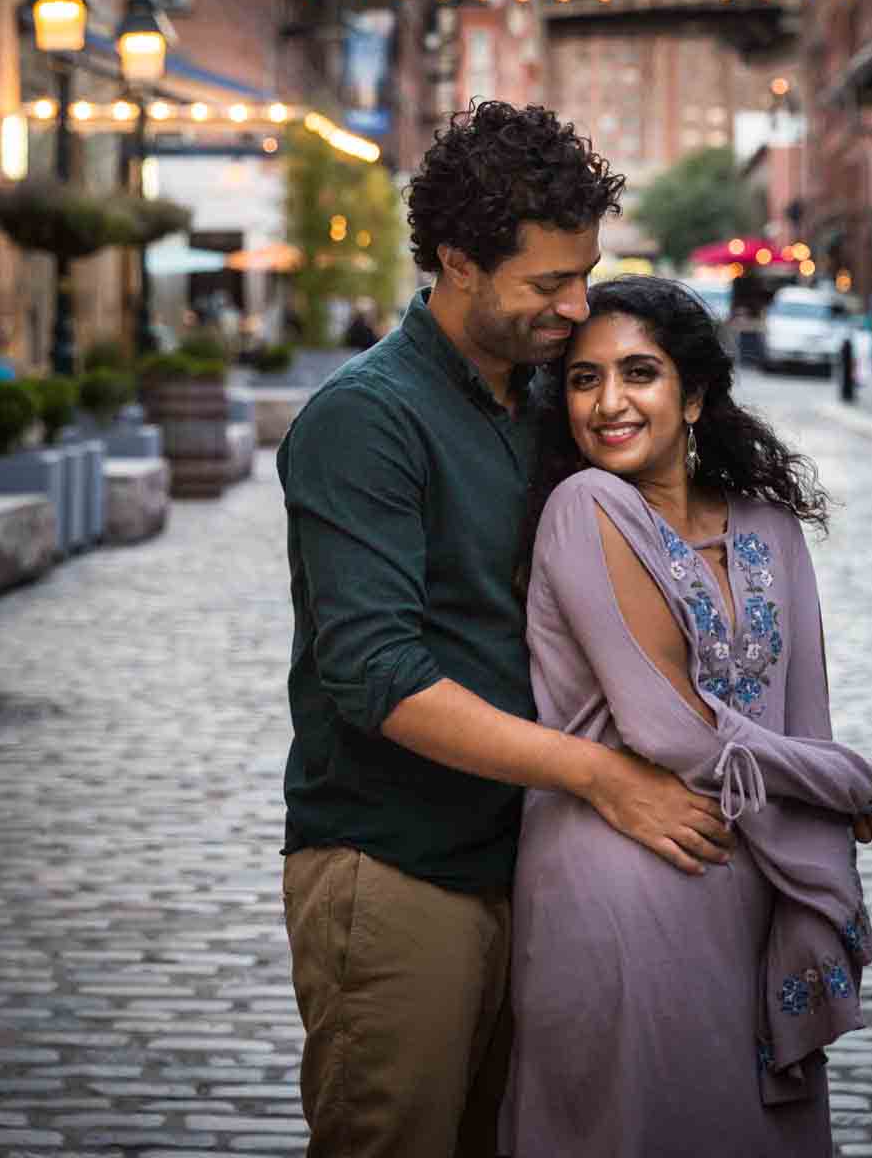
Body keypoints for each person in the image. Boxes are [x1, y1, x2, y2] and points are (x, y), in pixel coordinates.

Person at [276, 103, 735, 1158]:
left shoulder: (545, 396)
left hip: (533, 864)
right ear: (456, 263)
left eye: (585, 274)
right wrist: (599, 774)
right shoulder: (365, 417)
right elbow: (377, 674)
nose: (577, 306)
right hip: (397, 867)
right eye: (546, 284)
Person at [505, 277, 872, 1157]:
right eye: (581, 379)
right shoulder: (586, 508)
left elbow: (806, 716)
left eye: (638, 373)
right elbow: (667, 729)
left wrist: (821, 824)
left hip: (759, 892)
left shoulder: (770, 529)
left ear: (694, 396)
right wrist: (844, 783)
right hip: (620, 888)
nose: (607, 403)